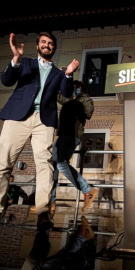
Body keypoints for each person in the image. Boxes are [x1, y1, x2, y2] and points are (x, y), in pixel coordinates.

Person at [0, 32, 80, 233]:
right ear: (37, 46)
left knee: (45, 165)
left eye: (51, 43)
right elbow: (6, 81)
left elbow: (68, 93)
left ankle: (43, 213)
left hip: (43, 120)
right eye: (43, 42)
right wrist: (16, 59)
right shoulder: (25, 63)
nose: (47, 45)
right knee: (3, 163)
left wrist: (69, 74)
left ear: (54, 48)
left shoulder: (58, 72)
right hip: (18, 116)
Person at [51, 80, 98, 214]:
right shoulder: (68, 98)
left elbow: (88, 114)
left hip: (73, 135)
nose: (75, 89)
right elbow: (57, 95)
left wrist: (75, 104)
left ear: (82, 89)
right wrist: (59, 78)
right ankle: (51, 199)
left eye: (77, 87)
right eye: (73, 87)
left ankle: (88, 190)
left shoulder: (86, 100)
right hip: (63, 135)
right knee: (53, 164)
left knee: (61, 164)